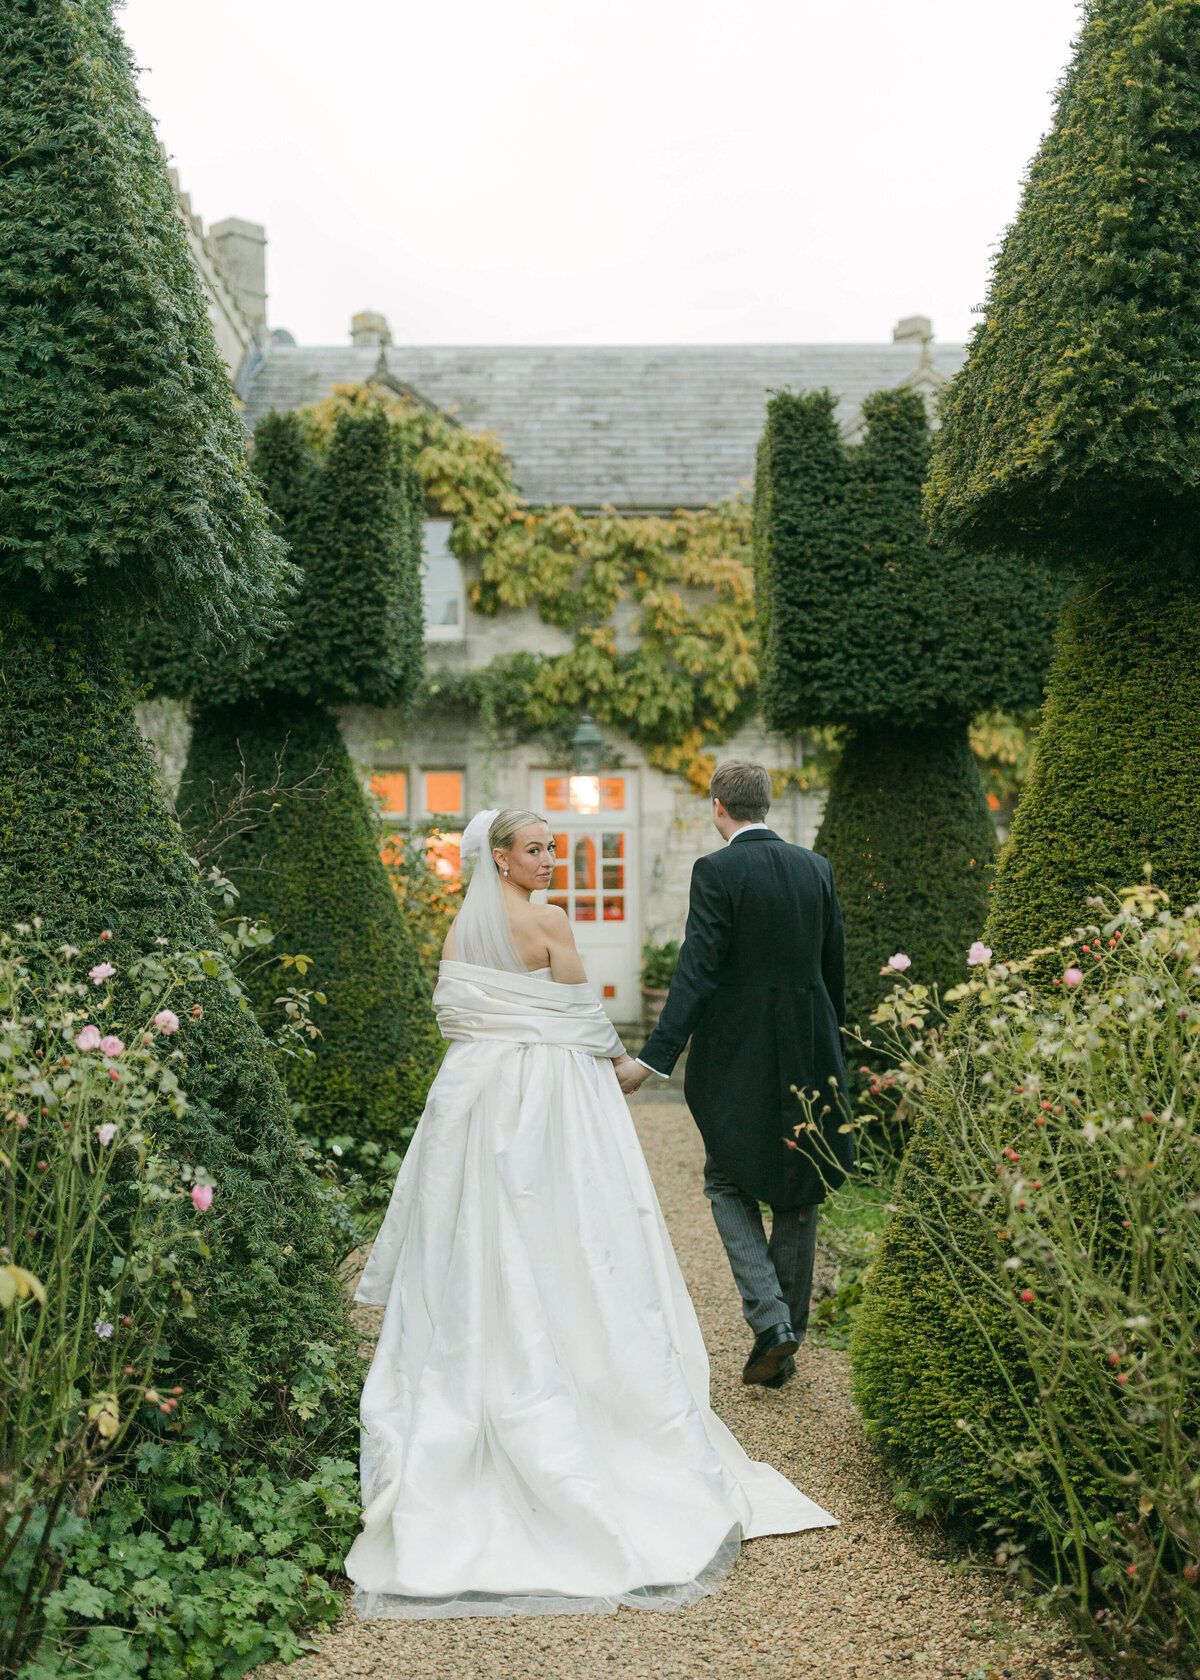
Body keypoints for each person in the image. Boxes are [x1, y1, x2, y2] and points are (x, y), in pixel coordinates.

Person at [345, 807, 834, 1620]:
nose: (549, 860)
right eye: (535, 849)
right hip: (543, 1098)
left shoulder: (461, 934)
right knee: (569, 1226)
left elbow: (456, 1016)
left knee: (480, 1228)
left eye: (550, 849)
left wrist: (522, 1035)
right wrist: (622, 1061)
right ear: (500, 858)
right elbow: (581, 1015)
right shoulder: (547, 921)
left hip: (473, 1098)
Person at [619, 759, 851, 1393]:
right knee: (799, 1191)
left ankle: (772, 1324)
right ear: (767, 805)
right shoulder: (816, 868)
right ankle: (785, 1341)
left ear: (718, 806)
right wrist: (834, 1048)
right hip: (808, 1048)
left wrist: (651, 1060)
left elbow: (697, 970)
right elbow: (834, 972)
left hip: (739, 1053)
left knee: (726, 1179)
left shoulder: (716, 870)